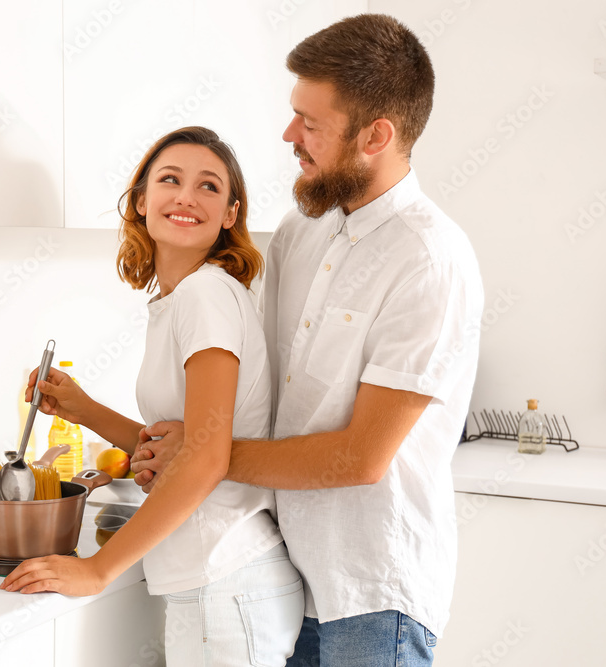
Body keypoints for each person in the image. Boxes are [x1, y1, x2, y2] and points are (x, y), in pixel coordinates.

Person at [130, 14, 484, 666]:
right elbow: (260, 397)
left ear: (376, 136)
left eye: (310, 123)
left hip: (371, 593)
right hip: (286, 574)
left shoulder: (430, 259)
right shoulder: (302, 232)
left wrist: (204, 455)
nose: (289, 135)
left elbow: (362, 457)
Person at [0, 126, 305, 666]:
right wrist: (84, 410)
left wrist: (98, 569)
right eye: (170, 179)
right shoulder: (183, 298)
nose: (186, 196)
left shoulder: (204, 295)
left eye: (209, 186)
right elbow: (173, 446)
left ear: (230, 214)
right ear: (142, 200)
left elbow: (206, 458)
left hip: (224, 577)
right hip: (223, 580)